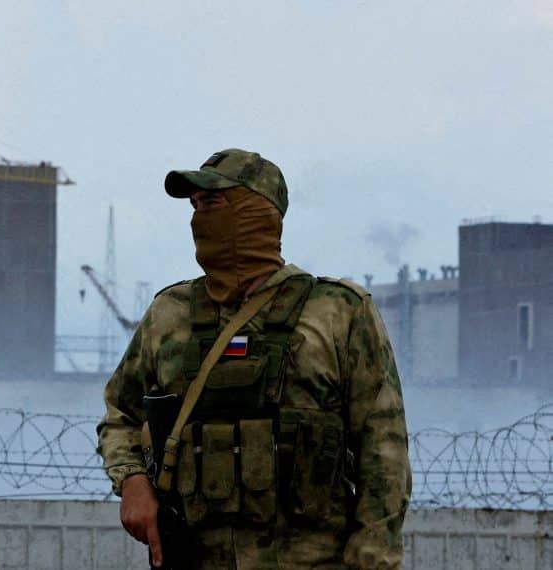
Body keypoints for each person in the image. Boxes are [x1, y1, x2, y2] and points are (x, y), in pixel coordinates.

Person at [96, 148, 411, 569]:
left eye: (212, 203)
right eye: (193, 206)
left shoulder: (337, 311)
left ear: (256, 211)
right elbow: (121, 413)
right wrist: (132, 480)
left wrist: (372, 559)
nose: (198, 218)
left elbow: (383, 451)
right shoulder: (170, 314)